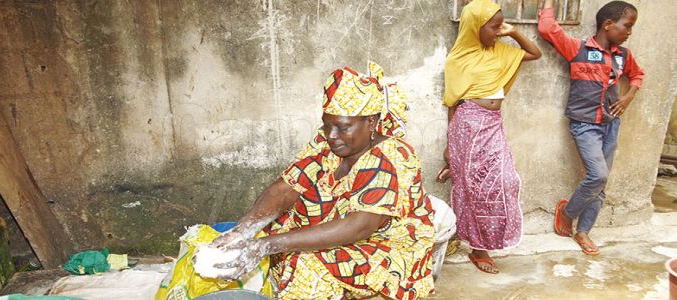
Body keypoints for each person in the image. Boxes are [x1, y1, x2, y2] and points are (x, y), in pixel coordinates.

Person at [205, 62, 436, 300]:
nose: (332, 135)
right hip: (348, 226)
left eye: (343, 127)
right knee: (274, 226)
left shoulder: (389, 158)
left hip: (388, 245)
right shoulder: (328, 142)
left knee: (305, 264)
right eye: (327, 125)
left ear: (371, 122)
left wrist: (268, 245)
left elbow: (360, 226)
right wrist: (243, 230)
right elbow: (286, 187)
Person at [436, 0, 541, 274]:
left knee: (504, 180)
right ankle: (478, 248)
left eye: (499, 27)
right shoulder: (457, 59)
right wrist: (450, 145)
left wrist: (513, 32)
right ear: (475, 26)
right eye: (493, 27)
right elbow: (452, 103)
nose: (497, 32)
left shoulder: (500, 51)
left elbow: (534, 53)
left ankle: (488, 239)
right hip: (467, 124)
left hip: (493, 123)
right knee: (471, 186)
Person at [538, 0, 644, 256]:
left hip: (611, 124)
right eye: (627, 26)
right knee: (598, 175)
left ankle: (583, 231)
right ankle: (566, 212)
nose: (629, 32)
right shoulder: (578, 49)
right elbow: (546, 27)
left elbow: (638, 75)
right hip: (584, 125)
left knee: (601, 183)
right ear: (608, 25)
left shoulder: (623, 55)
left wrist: (628, 96)